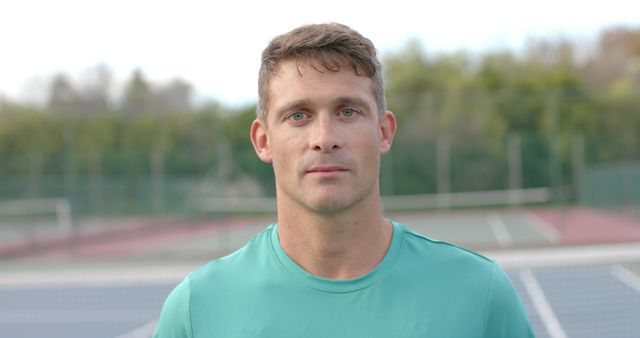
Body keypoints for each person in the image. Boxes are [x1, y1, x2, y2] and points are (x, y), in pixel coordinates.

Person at [153, 23, 535, 337]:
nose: (324, 137)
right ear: (263, 140)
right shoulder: (195, 308)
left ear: (384, 132)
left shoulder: (478, 294)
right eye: (297, 115)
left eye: (348, 111)